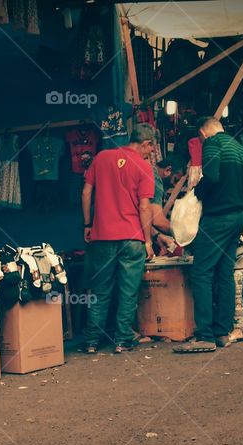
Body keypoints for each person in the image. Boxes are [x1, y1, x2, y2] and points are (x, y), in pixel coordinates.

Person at [174, 117, 243, 353]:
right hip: (237, 217)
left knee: (201, 273)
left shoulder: (212, 145)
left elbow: (213, 176)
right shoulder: (240, 149)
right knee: (224, 274)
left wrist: (197, 193)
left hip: (217, 217)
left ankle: (205, 336)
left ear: (203, 133)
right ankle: (222, 332)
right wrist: (242, 213)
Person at [81, 123, 156, 354]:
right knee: (128, 291)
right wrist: (148, 241)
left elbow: (86, 192)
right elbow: (145, 207)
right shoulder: (144, 167)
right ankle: (123, 340)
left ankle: (92, 341)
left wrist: (87, 224)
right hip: (132, 237)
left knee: (100, 290)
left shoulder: (101, 157)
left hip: (102, 235)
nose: (149, 154)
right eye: (150, 149)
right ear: (145, 144)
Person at [150, 158, 182, 255]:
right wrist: (183, 233)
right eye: (175, 179)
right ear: (168, 170)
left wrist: (156, 235)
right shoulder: (155, 179)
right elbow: (158, 221)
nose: (174, 185)